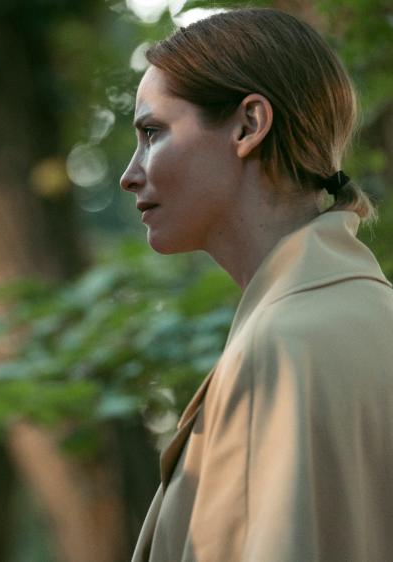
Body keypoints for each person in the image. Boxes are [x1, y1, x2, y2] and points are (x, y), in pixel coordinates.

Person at [119, 8, 393, 562]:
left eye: (152, 133)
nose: (130, 174)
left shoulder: (281, 348)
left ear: (249, 125)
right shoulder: (371, 315)